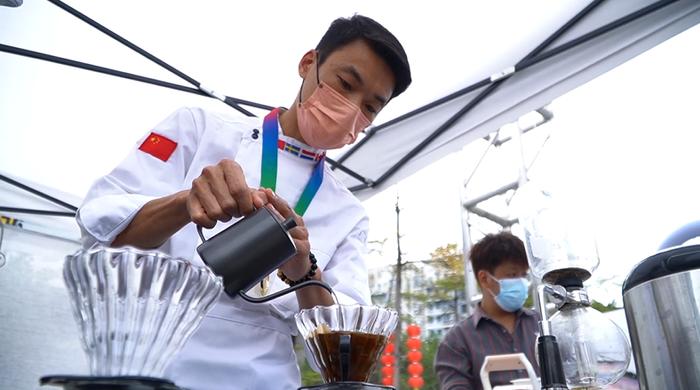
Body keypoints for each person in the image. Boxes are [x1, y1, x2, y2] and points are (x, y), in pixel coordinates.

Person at [76, 15, 411, 390]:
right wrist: (186, 202)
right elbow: (100, 234)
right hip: (153, 364)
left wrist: (304, 271)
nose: (351, 109)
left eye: (370, 107)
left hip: (263, 378)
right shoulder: (199, 129)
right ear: (308, 64)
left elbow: (344, 355)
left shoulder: (348, 213)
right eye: (345, 84)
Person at [434, 231, 540, 390]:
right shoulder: (456, 341)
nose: (521, 282)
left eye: (523, 275)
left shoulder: (542, 325)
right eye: (512, 274)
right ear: (484, 279)